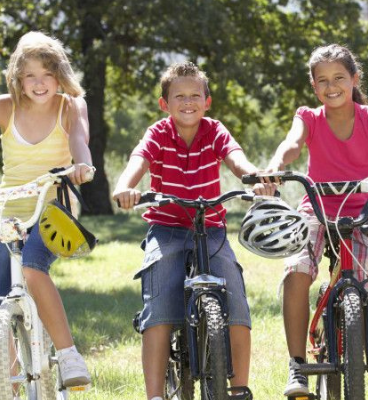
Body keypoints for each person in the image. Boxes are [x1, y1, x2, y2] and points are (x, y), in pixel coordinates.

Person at [265, 44, 368, 400]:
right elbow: (292, 143)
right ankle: (297, 366)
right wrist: (277, 165)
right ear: (314, 87)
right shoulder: (308, 118)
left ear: (354, 79)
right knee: (296, 269)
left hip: (362, 213)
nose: (331, 86)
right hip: (317, 210)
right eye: (322, 80)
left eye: (339, 77)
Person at [112, 61, 274, 400]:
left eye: (195, 95)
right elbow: (138, 161)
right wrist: (126, 185)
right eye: (179, 96)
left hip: (210, 228)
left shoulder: (215, 131)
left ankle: (240, 389)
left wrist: (254, 178)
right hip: (166, 227)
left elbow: (236, 159)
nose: (188, 102)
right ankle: (155, 394)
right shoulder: (158, 133)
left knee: (236, 298)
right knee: (157, 308)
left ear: (207, 101)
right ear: (164, 104)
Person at [0, 31, 94, 388]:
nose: (39, 83)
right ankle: (11, 387)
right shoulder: (4, 106)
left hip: (53, 211)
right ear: (17, 77)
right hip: (8, 214)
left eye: (47, 74)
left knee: (33, 267)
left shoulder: (70, 106)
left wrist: (83, 166)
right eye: (30, 75)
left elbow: (80, 142)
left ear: (59, 76)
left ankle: (68, 356)